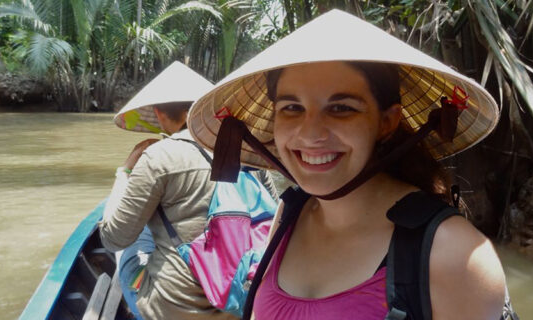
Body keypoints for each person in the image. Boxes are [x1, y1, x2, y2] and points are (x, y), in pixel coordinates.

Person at [186, 10, 510, 320]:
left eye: (341, 107)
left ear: (386, 122)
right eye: (291, 108)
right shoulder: (289, 213)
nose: (311, 134)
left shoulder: (454, 253)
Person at [99, 61, 276, 320]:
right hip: (241, 304)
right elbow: (274, 225)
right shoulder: (249, 151)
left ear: (159, 113)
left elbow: (113, 238)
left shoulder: (158, 156)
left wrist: (125, 171)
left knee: (134, 239)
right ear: (207, 108)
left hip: (173, 310)